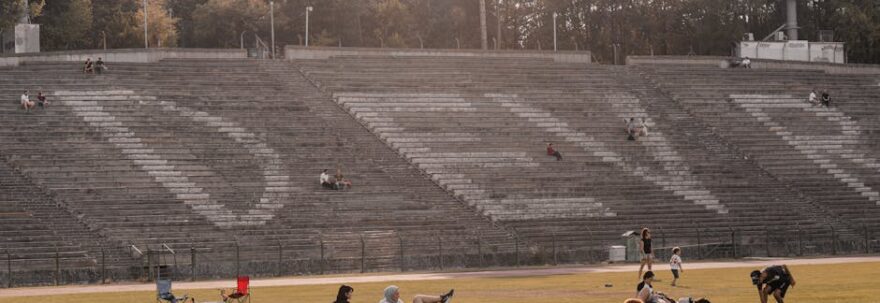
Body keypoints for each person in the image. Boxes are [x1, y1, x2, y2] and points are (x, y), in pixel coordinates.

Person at [380, 285, 454, 303]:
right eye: (396, 294)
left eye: (398, 293)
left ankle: (442, 298)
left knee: (417, 298)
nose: (399, 295)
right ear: (390, 296)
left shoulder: (398, 301)